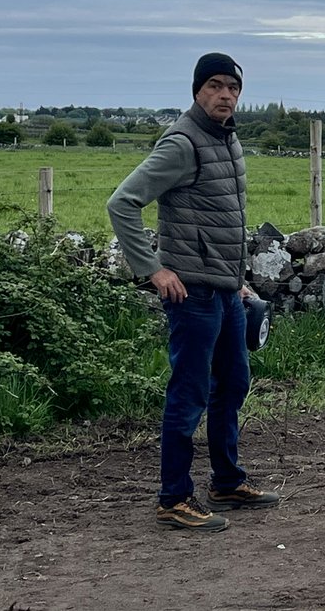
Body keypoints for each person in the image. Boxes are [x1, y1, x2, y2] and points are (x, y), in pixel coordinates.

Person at [107, 52, 279, 533]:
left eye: (234, 87)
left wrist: (237, 278)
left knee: (234, 385)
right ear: (197, 90)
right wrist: (153, 270)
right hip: (192, 295)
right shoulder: (183, 142)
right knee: (190, 393)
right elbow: (122, 203)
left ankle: (226, 481)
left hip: (224, 290)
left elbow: (221, 218)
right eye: (216, 86)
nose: (226, 95)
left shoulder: (227, 138)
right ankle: (174, 498)